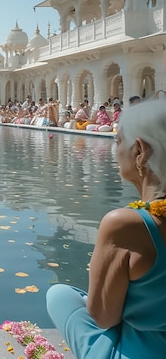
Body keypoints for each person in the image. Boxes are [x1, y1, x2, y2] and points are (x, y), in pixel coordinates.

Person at [46, 98, 166, 358]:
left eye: (118, 141)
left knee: (60, 294)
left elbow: (103, 317)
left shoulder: (126, 224)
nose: (116, 150)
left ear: (140, 151)